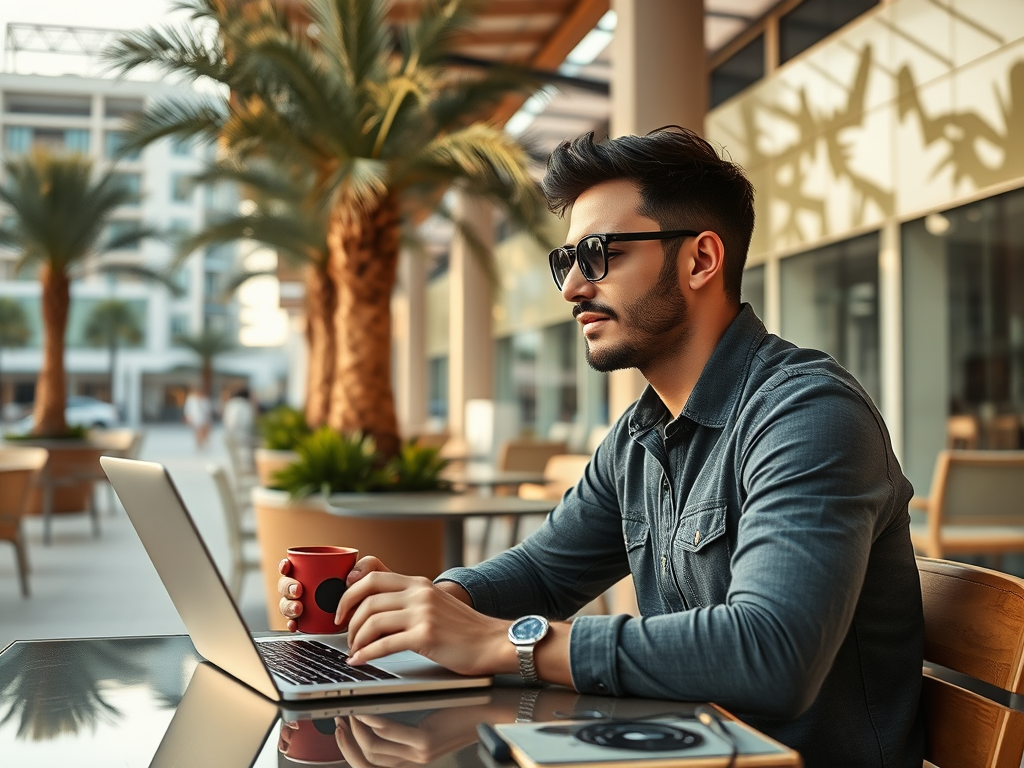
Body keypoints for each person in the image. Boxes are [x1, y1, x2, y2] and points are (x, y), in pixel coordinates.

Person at [277, 127, 924, 767]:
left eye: (600, 254)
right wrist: (430, 605)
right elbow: (544, 572)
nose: (572, 289)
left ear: (700, 259)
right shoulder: (641, 436)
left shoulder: (806, 415)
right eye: (567, 261)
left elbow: (772, 651)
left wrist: (511, 643)